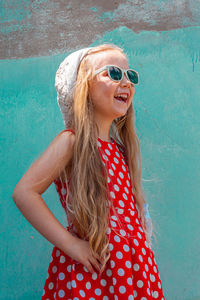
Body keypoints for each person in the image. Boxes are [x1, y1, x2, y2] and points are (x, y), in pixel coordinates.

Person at [12, 44, 165, 299]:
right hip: (92, 272)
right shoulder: (72, 143)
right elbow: (24, 192)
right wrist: (71, 245)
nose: (126, 82)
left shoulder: (121, 150)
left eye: (131, 76)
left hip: (132, 273)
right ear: (83, 87)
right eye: (114, 73)